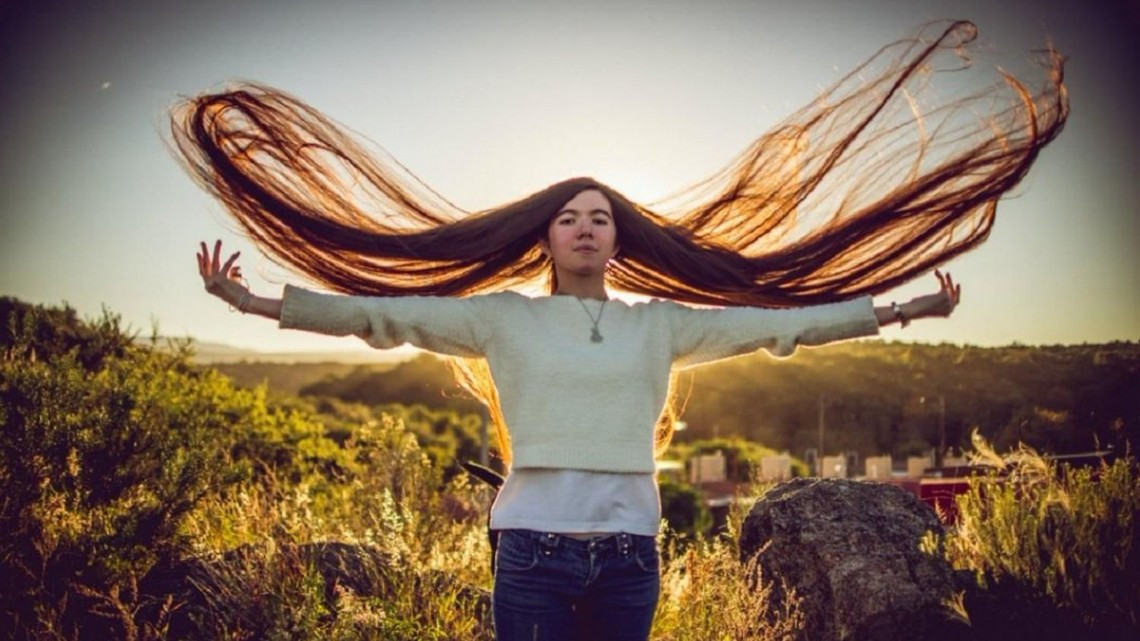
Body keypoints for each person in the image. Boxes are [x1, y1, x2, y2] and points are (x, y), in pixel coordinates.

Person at [176, 20, 1065, 641]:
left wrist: (903, 308)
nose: (587, 225)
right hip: (532, 551)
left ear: (619, 235)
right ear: (547, 235)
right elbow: (381, 316)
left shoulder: (662, 327)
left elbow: (780, 325)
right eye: (569, 215)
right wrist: (257, 304)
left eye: (601, 214)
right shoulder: (502, 319)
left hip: (633, 552)